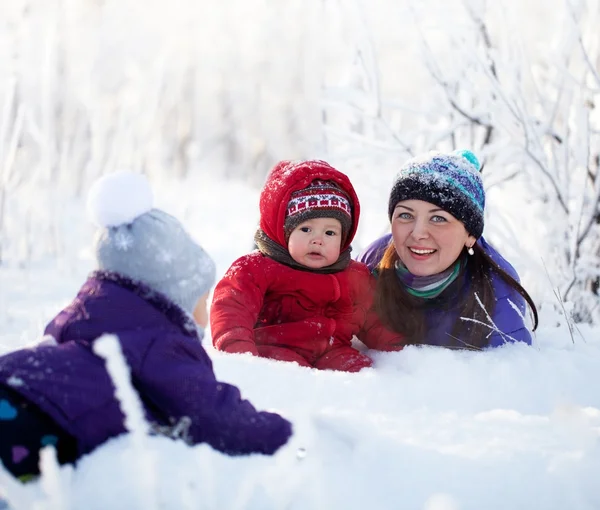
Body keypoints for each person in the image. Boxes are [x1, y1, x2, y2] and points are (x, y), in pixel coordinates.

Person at [0, 172, 292, 481]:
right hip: (29, 421)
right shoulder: (159, 344)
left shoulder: (82, 320)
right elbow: (213, 416)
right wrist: (286, 435)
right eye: (202, 300)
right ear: (179, 301)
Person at [210, 159, 404, 371]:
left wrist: (400, 350)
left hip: (332, 351)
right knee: (286, 371)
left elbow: (376, 319)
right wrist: (239, 353)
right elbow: (232, 307)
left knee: (361, 369)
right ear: (284, 231)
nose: (317, 240)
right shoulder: (256, 269)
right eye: (306, 229)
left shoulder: (354, 276)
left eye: (330, 233)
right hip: (275, 349)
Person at [359, 149, 538, 350]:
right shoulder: (369, 266)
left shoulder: (496, 293)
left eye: (438, 218)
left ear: (470, 235)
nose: (418, 233)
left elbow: (508, 374)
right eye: (406, 215)